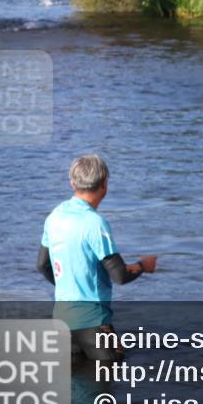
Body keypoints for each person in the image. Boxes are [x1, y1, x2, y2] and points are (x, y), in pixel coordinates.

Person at [37, 154, 158, 362]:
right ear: (104, 185)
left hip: (62, 322)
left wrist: (69, 285)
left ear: (72, 183)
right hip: (93, 323)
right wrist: (143, 265)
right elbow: (120, 275)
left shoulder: (54, 216)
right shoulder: (95, 223)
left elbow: (42, 265)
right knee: (108, 383)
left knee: (75, 388)